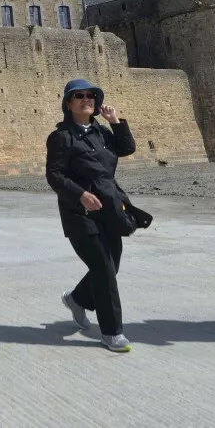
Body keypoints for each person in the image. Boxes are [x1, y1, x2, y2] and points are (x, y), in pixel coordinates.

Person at [46, 79, 138, 353]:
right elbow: (54, 175)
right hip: (80, 214)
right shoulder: (61, 137)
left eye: (90, 96)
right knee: (104, 269)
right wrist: (79, 194)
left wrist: (116, 122)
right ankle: (112, 332)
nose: (86, 99)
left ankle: (76, 299)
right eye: (79, 96)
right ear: (68, 103)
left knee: (112, 265)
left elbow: (127, 148)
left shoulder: (102, 133)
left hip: (109, 208)